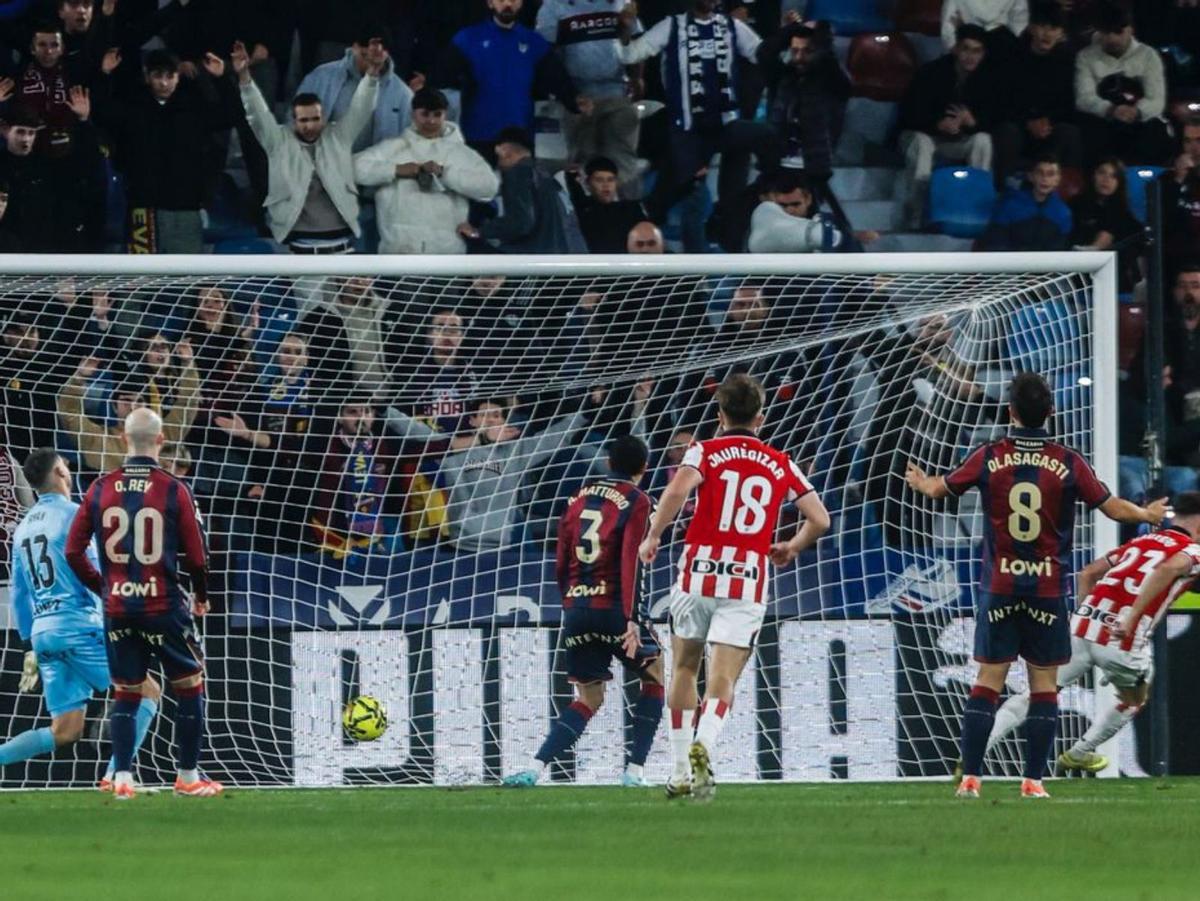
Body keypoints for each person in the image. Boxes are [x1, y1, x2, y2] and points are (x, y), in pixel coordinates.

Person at [905, 371, 1169, 800]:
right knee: (1044, 686)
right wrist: (1147, 515)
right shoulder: (1068, 461)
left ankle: (970, 777)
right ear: (1051, 411)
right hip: (1047, 589)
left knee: (988, 682)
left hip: (1000, 585)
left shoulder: (989, 455)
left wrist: (921, 483)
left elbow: (940, 489)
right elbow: (1113, 509)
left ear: (1010, 412)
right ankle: (1033, 781)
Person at [637, 373, 830, 799]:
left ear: (720, 414)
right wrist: (792, 546)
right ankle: (705, 745)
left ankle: (679, 770)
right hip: (747, 579)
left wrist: (653, 534)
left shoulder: (704, 451)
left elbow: (676, 490)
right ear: (760, 417)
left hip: (698, 573)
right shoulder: (781, 461)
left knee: (685, 667)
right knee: (723, 676)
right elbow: (820, 519)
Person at [64, 407, 220, 799]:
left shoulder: (100, 487)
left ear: (122, 438)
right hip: (163, 603)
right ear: (162, 440)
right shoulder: (173, 488)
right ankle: (187, 777)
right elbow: (198, 556)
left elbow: (72, 551)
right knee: (188, 685)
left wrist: (103, 586)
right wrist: (201, 597)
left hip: (118, 607)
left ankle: (121, 779)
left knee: (126, 691)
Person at [984, 492, 1200, 774]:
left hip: (1082, 628)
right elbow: (1168, 568)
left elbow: (1087, 573)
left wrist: (1083, 613)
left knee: (1036, 693)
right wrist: (1131, 616)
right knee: (1135, 698)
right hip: (1122, 637)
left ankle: (977, 748)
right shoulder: (1192, 551)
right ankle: (1079, 752)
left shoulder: (1141, 541)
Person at [502, 436, 664, 787]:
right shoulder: (638, 500)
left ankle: (533, 768)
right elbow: (632, 561)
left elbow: (561, 559)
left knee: (589, 697)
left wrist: (571, 603)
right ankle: (634, 772)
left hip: (576, 607)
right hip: (616, 610)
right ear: (643, 469)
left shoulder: (575, 499)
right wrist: (633, 617)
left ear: (607, 463)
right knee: (657, 676)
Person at [1, 449, 160, 790]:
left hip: (44, 633)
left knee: (66, 729)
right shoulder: (76, 515)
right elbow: (93, 573)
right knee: (146, 691)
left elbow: (20, 593)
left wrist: (30, 643)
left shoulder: (23, 528)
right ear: (59, 473)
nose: (69, 471)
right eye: (65, 466)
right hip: (77, 625)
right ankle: (116, 776)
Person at [616, 0, 778, 223]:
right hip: (688, 131)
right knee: (665, 198)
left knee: (768, 137)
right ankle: (643, 235)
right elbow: (630, 55)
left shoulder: (731, 26)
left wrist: (789, 36)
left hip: (725, 125)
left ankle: (760, 202)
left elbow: (761, 54)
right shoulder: (671, 26)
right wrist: (626, 28)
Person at [232, 40, 382, 253]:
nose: (310, 125)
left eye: (315, 119)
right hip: (299, 251)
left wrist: (373, 72)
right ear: (293, 120)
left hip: (344, 248)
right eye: (303, 120)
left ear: (323, 118)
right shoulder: (278, 141)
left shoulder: (338, 136)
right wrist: (245, 77)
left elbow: (361, 107)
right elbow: (257, 113)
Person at [93, 48, 240, 254]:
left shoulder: (193, 109)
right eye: (158, 76)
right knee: (142, 279)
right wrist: (103, 75)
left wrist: (222, 78)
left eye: (169, 76)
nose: (163, 83)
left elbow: (231, 115)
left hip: (186, 208)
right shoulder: (132, 108)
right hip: (143, 209)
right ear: (147, 76)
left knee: (186, 277)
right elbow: (101, 114)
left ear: (178, 77)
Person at [353, 87, 499, 254]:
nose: (431, 121)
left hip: (447, 254)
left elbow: (489, 187)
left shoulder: (461, 153)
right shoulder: (393, 148)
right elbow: (354, 169)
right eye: (425, 114)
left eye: (437, 114)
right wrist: (396, 170)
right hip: (398, 252)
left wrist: (445, 173)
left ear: (445, 115)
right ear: (413, 114)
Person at [438, 0, 581, 156]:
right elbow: (443, 76)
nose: (507, 4)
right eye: (501, 0)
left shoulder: (534, 41)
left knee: (519, 179)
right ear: (490, 3)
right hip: (477, 131)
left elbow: (555, 77)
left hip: (520, 132)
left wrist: (574, 99)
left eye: (513, 0)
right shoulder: (467, 39)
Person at [898, 24, 1000, 229]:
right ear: (955, 48)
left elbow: (997, 119)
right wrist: (937, 124)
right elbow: (908, 115)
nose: (970, 56)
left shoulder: (989, 79)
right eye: (966, 49)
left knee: (983, 140)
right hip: (923, 135)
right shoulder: (930, 72)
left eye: (977, 51)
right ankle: (915, 215)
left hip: (958, 140)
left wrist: (973, 122)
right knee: (922, 143)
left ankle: (975, 210)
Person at [537, 0, 643, 194]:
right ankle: (584, 219)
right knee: (583, 164)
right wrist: (567, 94)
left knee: (624, 163)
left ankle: (633, 217)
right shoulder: (554, 5)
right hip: (579, 98)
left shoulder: (619, 2)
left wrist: (637, 77)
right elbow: (544, 53)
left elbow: (636, 41)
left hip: (618, 94)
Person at [458, 126, 587, 254]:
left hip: (543, 263)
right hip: (572, 260)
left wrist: (480, 231)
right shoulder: (545, 176)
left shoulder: (518, 173)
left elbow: (521, 222)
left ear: (503, 150)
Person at [993, 3, 1081, 185]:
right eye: (1042, 27)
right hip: (1020, 127)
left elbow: (1069, 104)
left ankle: (1065, 197)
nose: (1047, 34)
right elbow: (1002, 101)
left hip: (1050, 128)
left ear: (1061, 33)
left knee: (1069, 133)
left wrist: (1049, 122)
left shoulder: (1067, 61)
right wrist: (1028, 122)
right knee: (1006, 132)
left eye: (1054, 29)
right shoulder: (1012, 56)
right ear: (1032, 27)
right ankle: (1004, 192)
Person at [1074, 2, 1171, 167]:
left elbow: (1157, 100)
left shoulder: (1148, 55)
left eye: (1118, 31)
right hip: (1104, 120)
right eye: (1107, 32)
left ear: (1130, 29)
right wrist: (1112, 110)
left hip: (1139, 120)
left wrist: (1137, 111)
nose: (1112, 38)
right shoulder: (1086, 56)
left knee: (1155, 129)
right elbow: (1084, 98)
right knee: (1089, 128)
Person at [296, 21, 413, 153]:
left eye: (376, 55)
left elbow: (410, 142)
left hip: (375, 170)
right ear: (354, 47)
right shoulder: (320, 77)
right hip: (326, 163)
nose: (370, 61)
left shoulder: (403, 94)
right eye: (365, 55)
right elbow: (295, 121)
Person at [1069, 158, 1143, 294]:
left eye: (1113, 176)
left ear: (1119, 182)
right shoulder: (1075, 205)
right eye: (1102, 173)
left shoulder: (1125, 215)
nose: (1106, 179)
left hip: (1114, 278)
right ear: (1093, 176)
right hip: (1077, 273)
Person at [978, 153, 1072, 251]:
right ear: (1031, 176)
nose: (1045, 179)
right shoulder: (1009, 206)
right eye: (1040, 173)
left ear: (1058, 179)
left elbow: (1058, 253)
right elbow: (995, 244)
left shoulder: (1063, 213)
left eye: (1051, 174)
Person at [567, 156, 647, 253]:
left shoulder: (632, 210)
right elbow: (573, 184)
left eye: (610, 180)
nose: (606, 185)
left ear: (616, 182)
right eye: (599, 180)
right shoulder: (585, 209)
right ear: (588, 183)